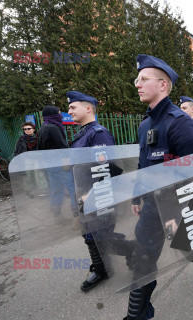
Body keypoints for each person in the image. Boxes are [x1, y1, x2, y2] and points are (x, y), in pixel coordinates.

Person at [128, 54, 193, 320]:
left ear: (162, 85)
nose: (137, 84)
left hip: (182, 200)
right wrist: (137, 196)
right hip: (152, 203)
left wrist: (177, 215)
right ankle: (138, 314)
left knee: (191, 248)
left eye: (143, 79)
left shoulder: (181, 123)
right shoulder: (145, 124)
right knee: (143, 258)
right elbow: (142, 163)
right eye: (137, 79)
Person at [66, 90, 120, 292]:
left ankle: (130, 251)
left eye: (73, 107)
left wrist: (94, 193)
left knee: (100, 235)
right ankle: (102, 267)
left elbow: (108, 167)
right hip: (84, 195)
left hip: (96, 196)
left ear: (88, 108)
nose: (69, 110)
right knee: (90, 235)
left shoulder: (98, 134)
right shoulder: (83, 133)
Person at [37, 105, 77, 222]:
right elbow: (62, 146)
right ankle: (76, 219)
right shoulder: (53, 128)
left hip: (49, 166)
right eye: (58, 113)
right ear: (53, 115)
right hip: (60, 165)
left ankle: (57, 217)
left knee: (56, 191)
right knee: (72, 190)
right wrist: (67, 163)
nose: (60, 115)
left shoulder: (43, 128)